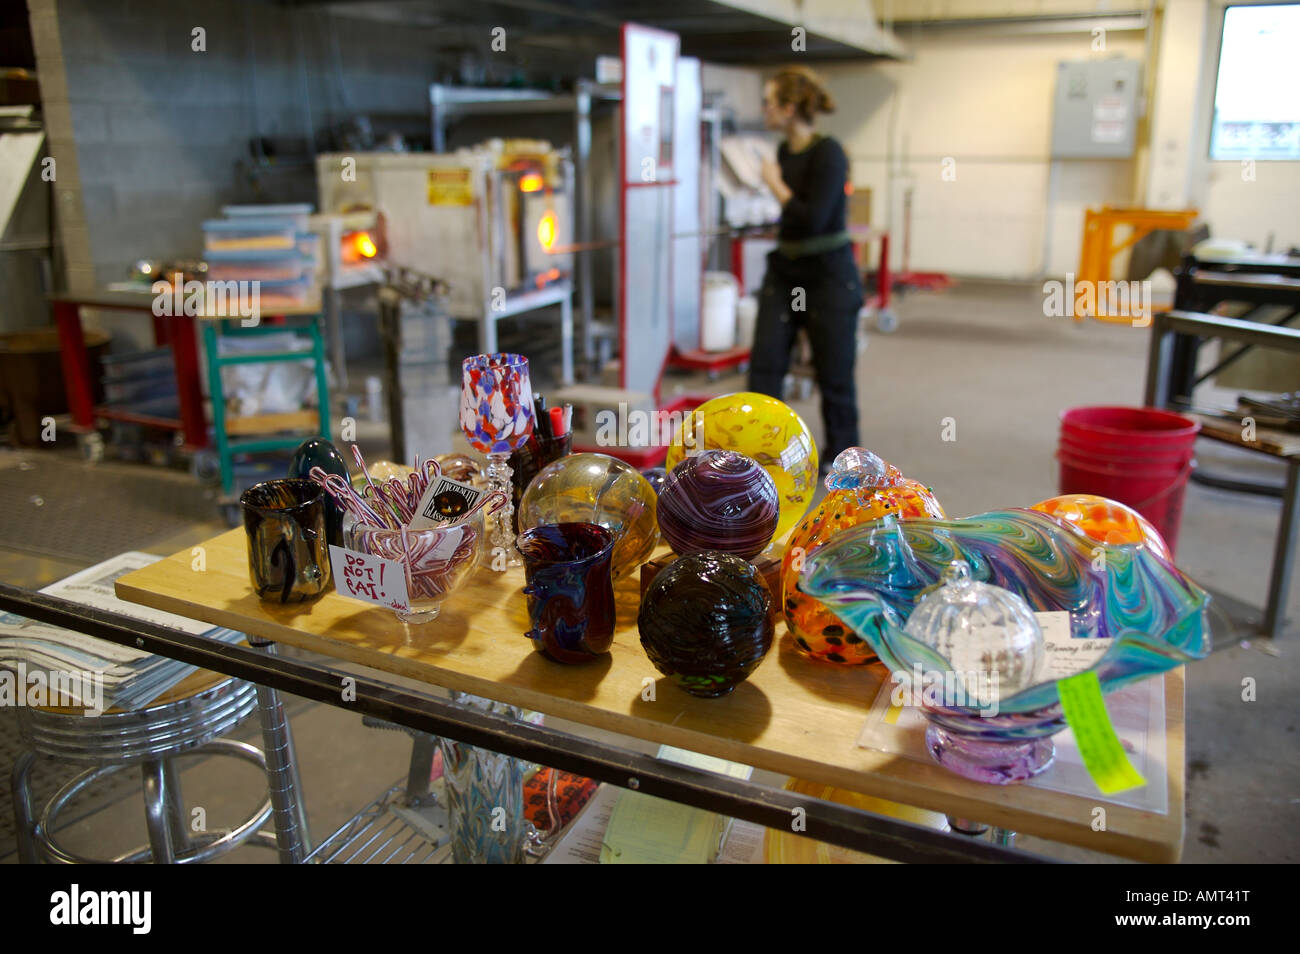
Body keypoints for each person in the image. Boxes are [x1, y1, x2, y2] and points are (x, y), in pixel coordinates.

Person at [748, 66, 862, 471]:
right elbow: (793, 218)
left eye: (768, 101)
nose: (763, 108)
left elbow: (813, 218)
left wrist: (775, 184)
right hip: (786, 270)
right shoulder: (783, 153)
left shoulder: (829, 152)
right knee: (764, 366)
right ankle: (758, 458)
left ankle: (845, 463)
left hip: (829, 273)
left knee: (834, 374)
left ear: (788, 108)